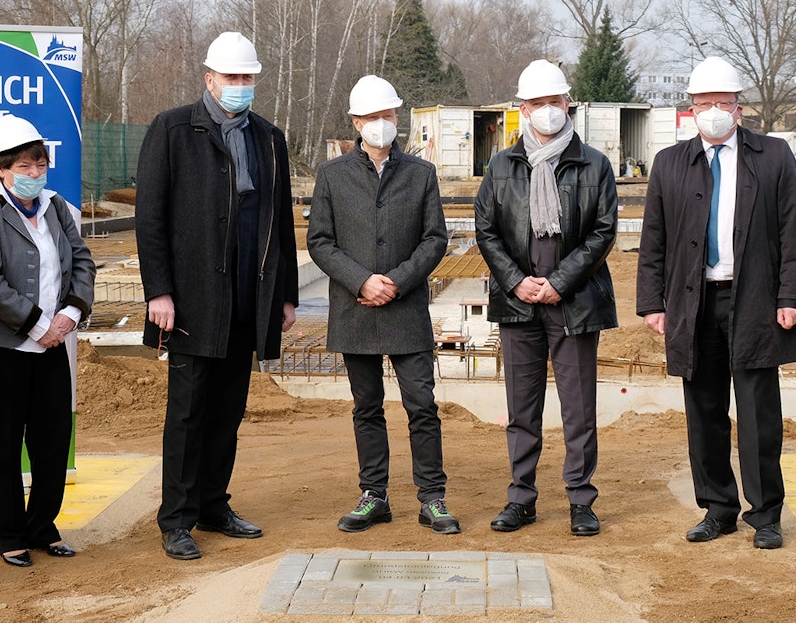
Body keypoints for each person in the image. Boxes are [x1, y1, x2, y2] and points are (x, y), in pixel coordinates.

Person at [636, 57, 796, 550]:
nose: (713, 110)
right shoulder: (671, 163)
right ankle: (717, 508)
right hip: (693, 304)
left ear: (739, 107)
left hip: (754, 300)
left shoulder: (773, 156)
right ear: (690, 108)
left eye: (722, 102)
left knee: (759, 413)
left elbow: (793, 233)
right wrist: (653, 303)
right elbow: (654, 240)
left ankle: (766, 514)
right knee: (704, 409)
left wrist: (792, 296)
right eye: (703, 103)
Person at [136, 31, 299, 561]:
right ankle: (176, 519)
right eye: (232, 77)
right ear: (210, 79)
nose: (241, 86)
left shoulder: (269, 138)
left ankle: (213, 505)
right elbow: (150, 219)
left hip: (248, 300)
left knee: (228, 410)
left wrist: (286, 296)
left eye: (248, 78)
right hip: (192, 300)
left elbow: (280, 222)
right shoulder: (173, 129)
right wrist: (158, 291)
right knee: (187, 412)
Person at [306, 75, 456, 535]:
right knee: (365, 406)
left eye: (388, 116)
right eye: (372, 117)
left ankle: (433, 498)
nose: (381, 124)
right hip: (356, 309)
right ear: (356, 122)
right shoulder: (332, 176)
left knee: (422, 405)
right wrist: (361, 280)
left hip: (405, 308)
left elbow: (435, 240)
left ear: (397, 118)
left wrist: (397, 280)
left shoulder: (420, 174)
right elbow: (320, 241)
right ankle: (374, 495)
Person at [474, 59, 617, 537]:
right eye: (537, 103)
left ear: (567, 103)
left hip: (573, 302)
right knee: (522, 408)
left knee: (579, 407)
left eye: (554, 102)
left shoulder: (594, 163)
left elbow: (602, 232)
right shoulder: (500, 165)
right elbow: (487, 230)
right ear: (522, 109)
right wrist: (518, 281)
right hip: (518, 304)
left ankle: (580, 499)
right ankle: (521, 498)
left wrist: (559, 282)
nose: (547, 111)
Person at [0, 114, 96, 568]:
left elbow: (81, 262)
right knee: (4, 443)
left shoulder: (56, 207)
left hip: (54, 345)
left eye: (40, 164)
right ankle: (10, 535)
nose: (35, 174)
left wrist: (70, 314)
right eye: (23, 166)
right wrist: (38, 325)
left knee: (53, 440)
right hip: (4, 347)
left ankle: (43, 526)